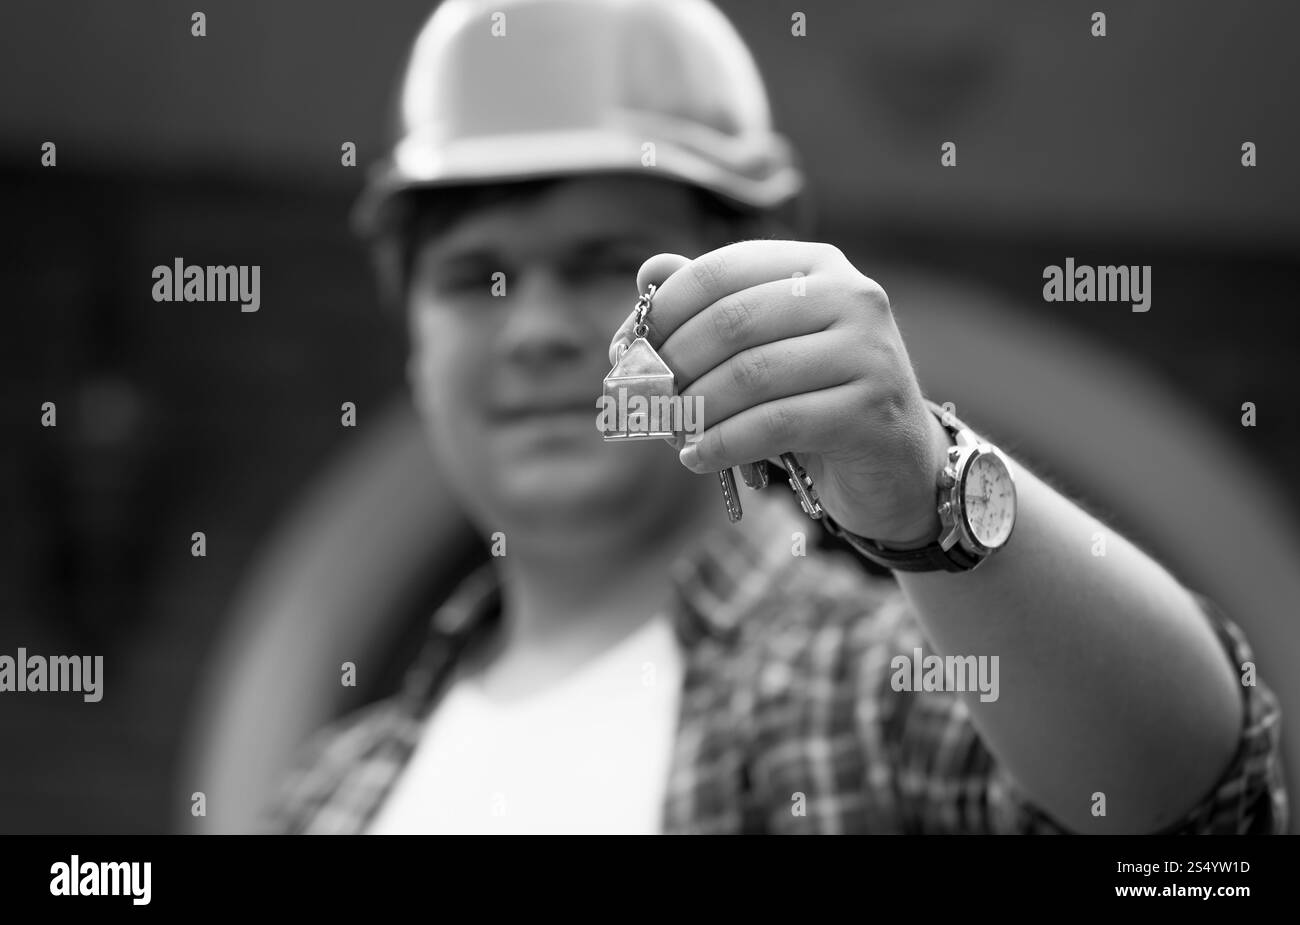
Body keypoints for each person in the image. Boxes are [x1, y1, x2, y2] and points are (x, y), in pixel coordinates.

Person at [264, 0, 1286, 834]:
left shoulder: (868, 690)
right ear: (411, 336)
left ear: (746, 285)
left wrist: (929, 488)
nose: (532, 328)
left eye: (594, 263)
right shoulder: (323, 795)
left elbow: (1200, 815)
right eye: (474, 277)